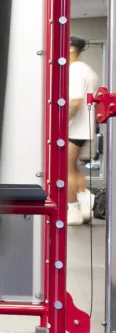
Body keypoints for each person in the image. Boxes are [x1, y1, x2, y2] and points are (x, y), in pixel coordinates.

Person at [66, 35, 100, 224]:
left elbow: (76, 101)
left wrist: (60, 126)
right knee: (73, 168)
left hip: (74, 129)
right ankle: (84, 203)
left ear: (71, 49)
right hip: (83, 128)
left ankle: (73, 211)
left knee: (65, 170)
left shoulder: (75, 70)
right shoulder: (88, 71)